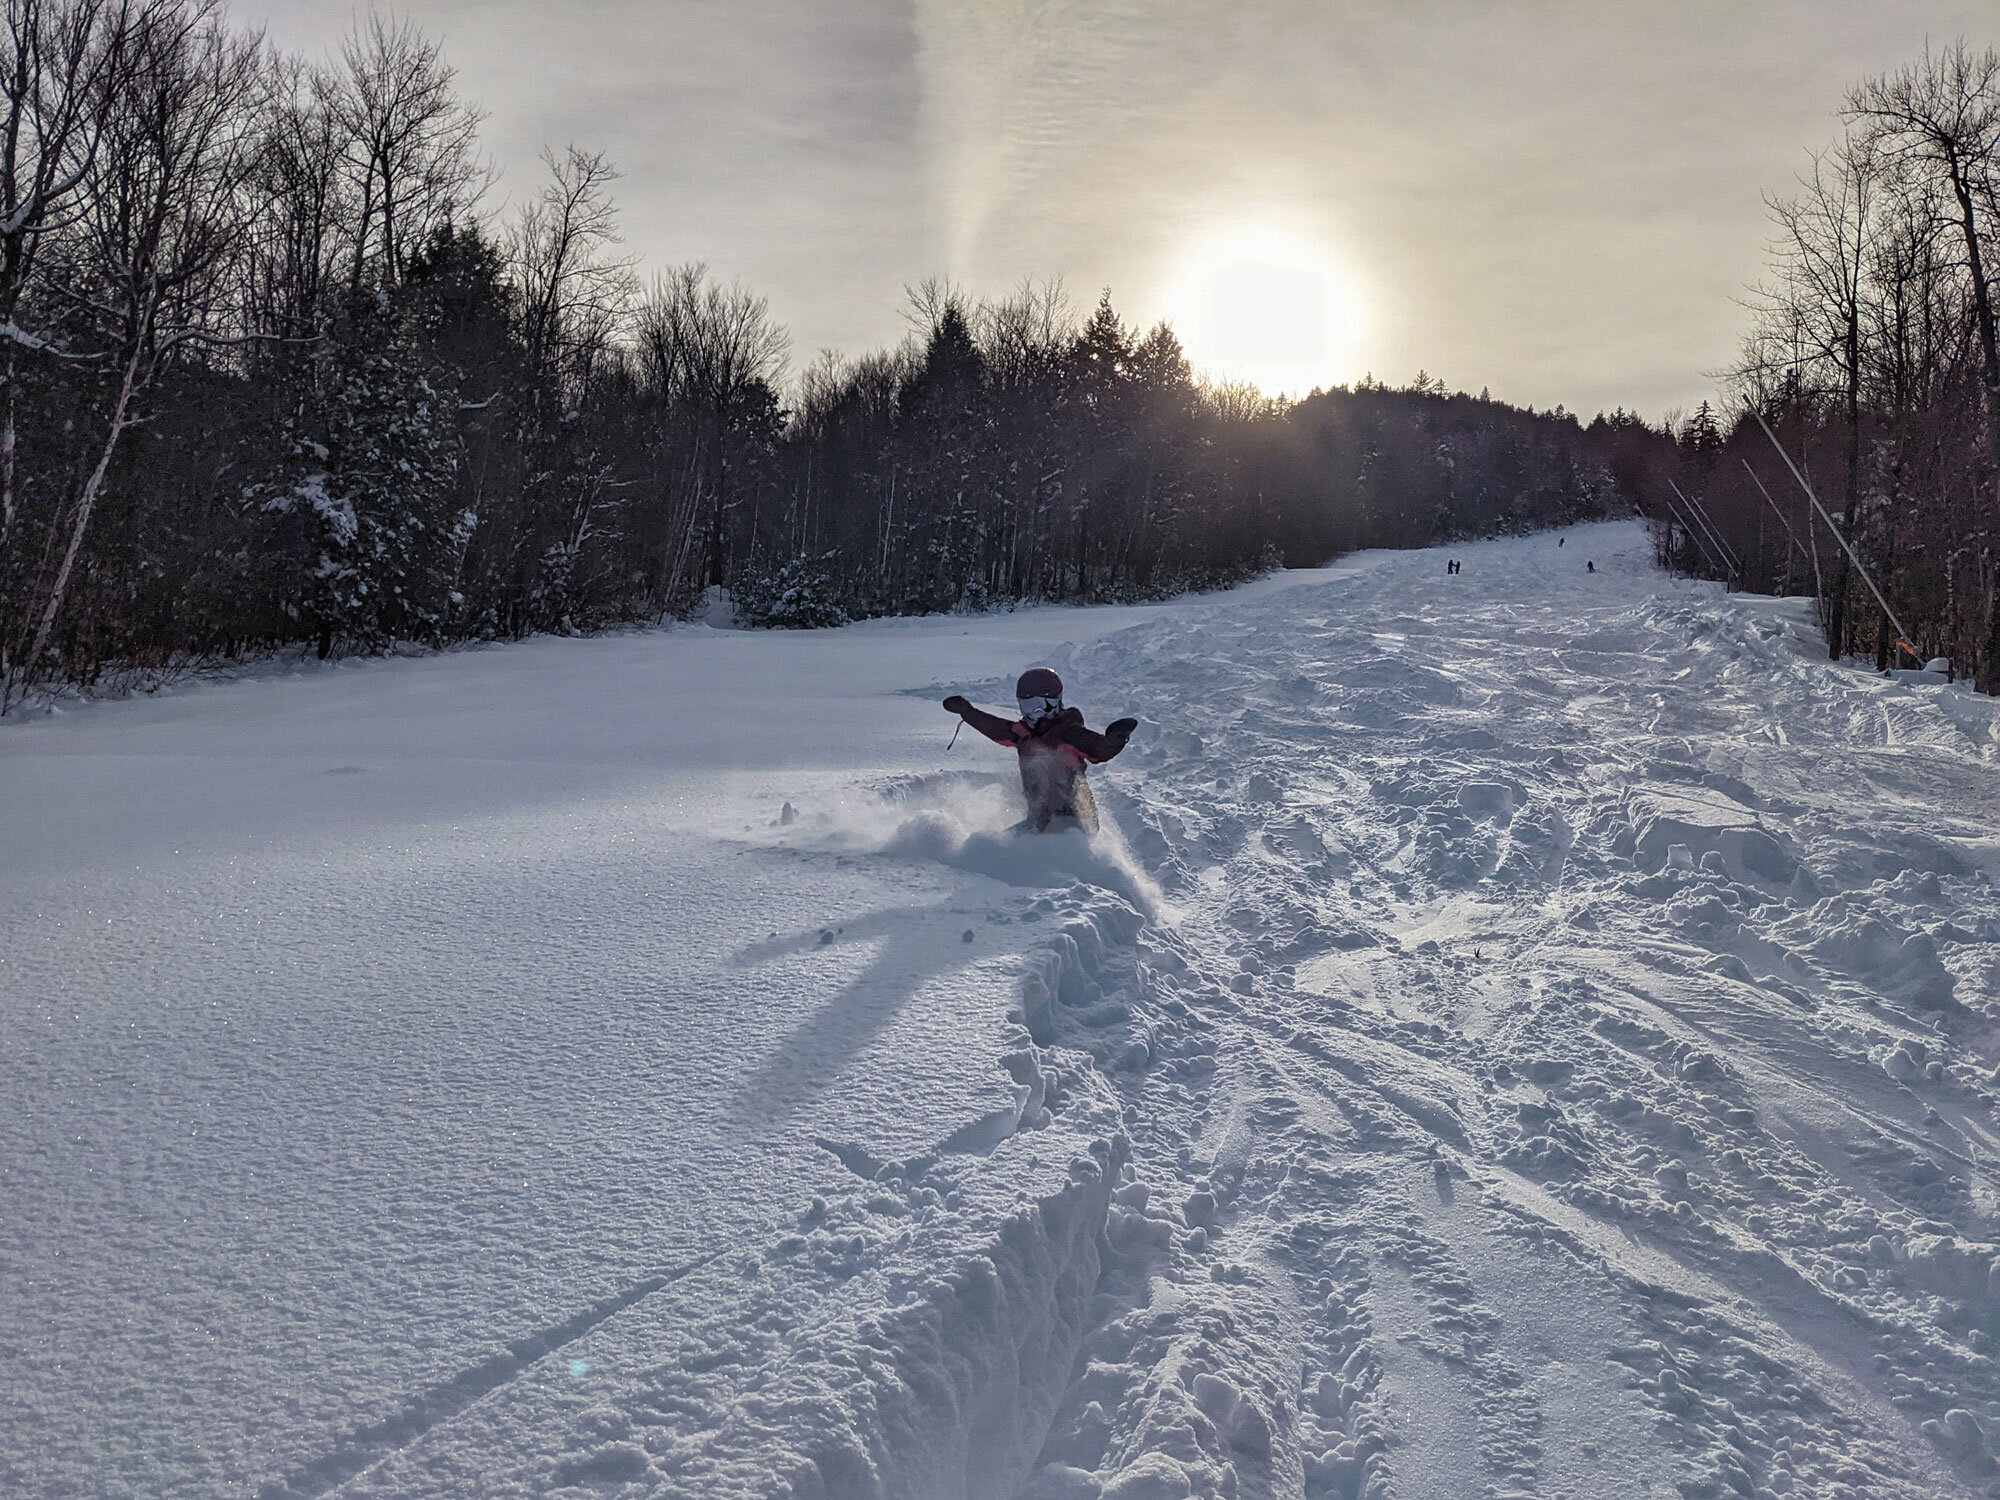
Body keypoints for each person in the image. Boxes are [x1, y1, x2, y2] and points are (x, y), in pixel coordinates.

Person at [944, 668, 1136, 833]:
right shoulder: (1024, 734)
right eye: (1027, 706)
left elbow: (1097, 749)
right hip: (1039, 820)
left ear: (1055, 702)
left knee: (1044, 851)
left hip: (1074, 820)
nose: (1034, 713)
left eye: (1040, 706)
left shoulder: (1068, 732)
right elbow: (996, 728)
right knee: (992, 848)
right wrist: (968, 712)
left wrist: (1113, 741)